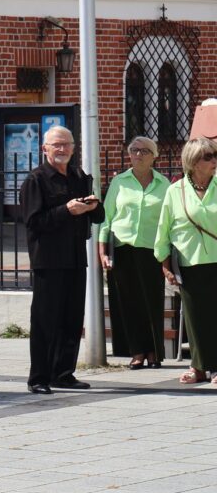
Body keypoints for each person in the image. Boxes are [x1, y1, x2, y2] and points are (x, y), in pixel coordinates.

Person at [20, 126, 104, 394]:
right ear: (44, 148)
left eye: (67, 144)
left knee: (71, 318)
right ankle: (39, 377)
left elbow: (98, 217)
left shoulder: (79, 176)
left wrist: (93, 205)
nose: (62, 149)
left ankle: (63, 373)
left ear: (73, 147)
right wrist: (66, 210)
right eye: (56, 145)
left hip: (76, 256)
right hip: (49, 259)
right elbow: (34, 222)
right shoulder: (36, 180)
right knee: (45, 320)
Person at [98, 137, 168, 369]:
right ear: (129, 154)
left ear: (154, 156)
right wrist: (102, 252)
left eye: (145, 151)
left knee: (152, 301)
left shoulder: (164, 184)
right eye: (134, 150)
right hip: (123, 248)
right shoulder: (120, 182)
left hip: (152, 249)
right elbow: (106, 219)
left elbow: (170, 220)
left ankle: (154, 352)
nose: (139, 154)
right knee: (127, 302)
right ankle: (136, 352)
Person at [154, 137, 217, 385]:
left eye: (214, 155)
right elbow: (164, 229)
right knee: (195, 317)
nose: (214, 160)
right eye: (208, 157)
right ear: (193, 162)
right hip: (189, 262)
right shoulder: (175, 190)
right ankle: (200, 367)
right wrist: (164, 262)